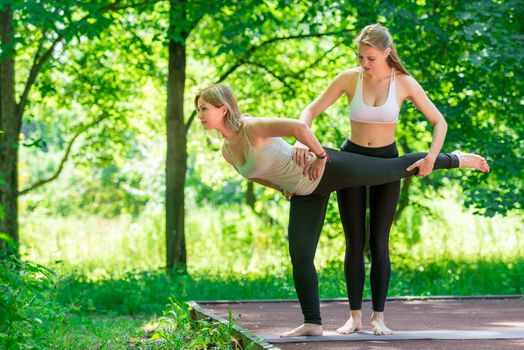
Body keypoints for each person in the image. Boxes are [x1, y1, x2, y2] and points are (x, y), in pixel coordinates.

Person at [194, 83, 488, 338]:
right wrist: (281, 189)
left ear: (223, 108)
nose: (201, 115)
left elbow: (298, 127)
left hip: (326, 170)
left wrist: (320, 155)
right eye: (199, 110)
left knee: (389, 169)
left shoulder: (252, 127)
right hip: (304, 191)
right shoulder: (227, 150)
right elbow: (255, 174)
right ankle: (312, 322)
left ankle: (455, 159)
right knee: (300, 254)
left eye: (204, 108)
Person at [294, 23, 450, 335]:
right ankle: (355, 318)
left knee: (379, 242)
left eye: (370, 58)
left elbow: (439, 121)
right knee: (354, 240)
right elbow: (310, 110)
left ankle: (379, 317)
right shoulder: (349, 78)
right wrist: (301, 139)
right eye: (360, 57)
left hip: (386, 165)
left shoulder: (404, 82)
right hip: (350, 161)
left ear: (387, 53)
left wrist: (432, 156)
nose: (364, 63)